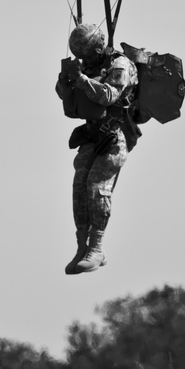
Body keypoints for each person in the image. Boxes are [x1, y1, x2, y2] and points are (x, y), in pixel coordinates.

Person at [55, 23, 140, 275]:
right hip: (93, 134)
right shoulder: (88, 66)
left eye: (89, 55)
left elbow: (109, 96)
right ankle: (82, 246)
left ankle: (97, 248)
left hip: (116, 135)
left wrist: (82, 80)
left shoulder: (120, 65)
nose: (87, 60)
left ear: (100, 47)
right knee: (80, 182)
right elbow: (66, 96)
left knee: (96, 186)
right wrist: (66, 81)